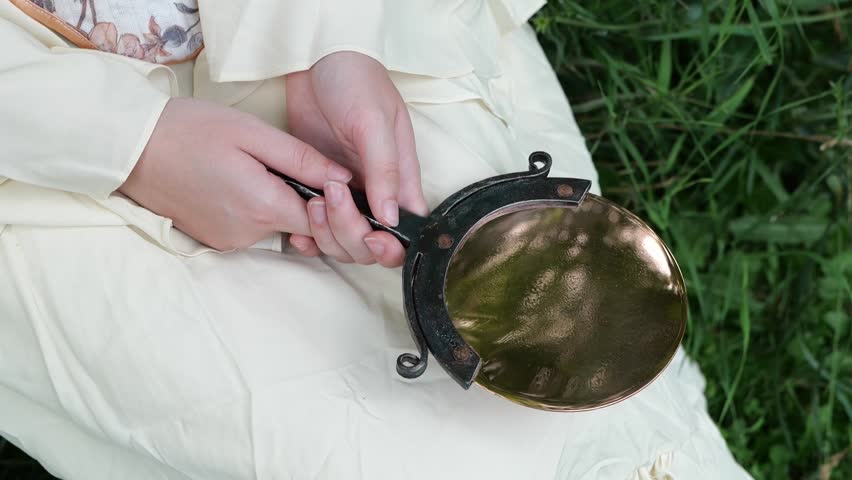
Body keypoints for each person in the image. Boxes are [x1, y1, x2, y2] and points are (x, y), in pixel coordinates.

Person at [0, 1, 752, 478]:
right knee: (321, 429)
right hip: (28, 148)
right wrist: (129, 144)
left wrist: (329, 38)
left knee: (549, 293)